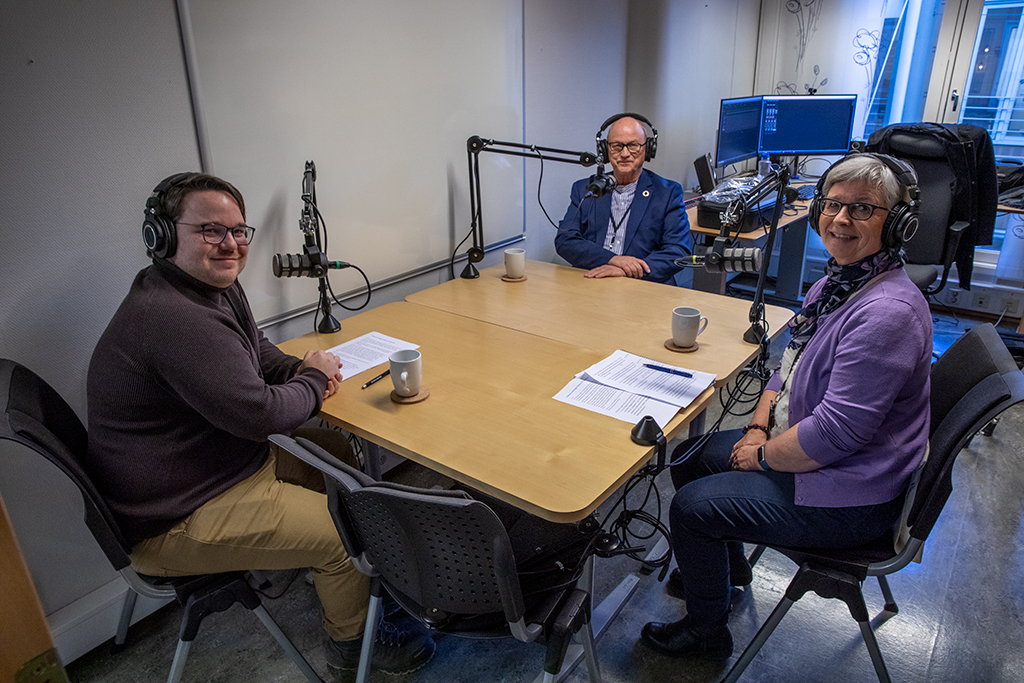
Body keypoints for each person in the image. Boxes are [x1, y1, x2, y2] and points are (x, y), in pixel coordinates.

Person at [85, 173, 434, 675]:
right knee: (344, 534)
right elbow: (263, 416)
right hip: (179, 514)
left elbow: (256, 348)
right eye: (210, 230)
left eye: (238, 231)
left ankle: (351, 580)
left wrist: (296, 371)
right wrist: (314, 379)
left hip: (210, 468)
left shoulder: (203, 287)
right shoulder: (174, 319)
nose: (230, 244)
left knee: (332, 451)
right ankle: (353, 644)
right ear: (161, 236)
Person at [640, 154, 932, 658]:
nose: (841, 220)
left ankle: (706, 634)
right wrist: (755, 430)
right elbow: (786, 366)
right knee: (691, 460)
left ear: (898, 223)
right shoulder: (838, 282)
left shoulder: (888, 313)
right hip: (809, 446)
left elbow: (836, 435)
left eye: (862, 209)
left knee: (689, 509)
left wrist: (762, 456)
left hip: (852, 493)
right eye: (834, 205)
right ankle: (725, 574)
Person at [554, 114, 690, 283]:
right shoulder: (586, 188)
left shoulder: (668, 192)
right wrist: (613, 260)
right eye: (617, 146)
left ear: (647, 149)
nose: (625, 154)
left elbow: (678, 252)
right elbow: (565, 241)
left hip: (643, 285)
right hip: (592, 282)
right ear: (604, 150)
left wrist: (628, 271)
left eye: (633, 145)